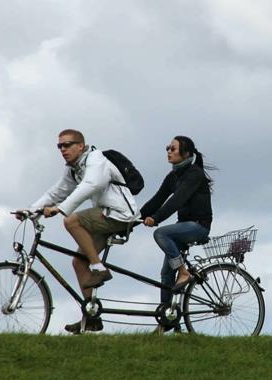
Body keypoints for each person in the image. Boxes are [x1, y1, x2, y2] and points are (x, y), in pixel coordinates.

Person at [25, 129, 137, 334]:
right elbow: (56, 192)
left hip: (120, 214)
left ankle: (99, 268)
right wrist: (31, 210)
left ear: (80, 146)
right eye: (59, 146)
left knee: (71, 221)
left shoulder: (96, 160)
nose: (63, 149)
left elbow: (91, 185)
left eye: (67, 145)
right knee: (78, 261)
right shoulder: (74, 169)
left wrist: (61, 208)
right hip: (104, 215)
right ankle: (91, 316)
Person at [140, 136, 213, 315]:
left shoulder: (195, 174)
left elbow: (177, 200)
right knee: (166, 273)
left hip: (198, 227)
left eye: (173, 149)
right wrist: (135, 217)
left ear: (186, 153)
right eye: (167, 148)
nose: (168, 151)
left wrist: (156, 219)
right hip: (183, 227)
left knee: (161, 234)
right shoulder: (173, 176)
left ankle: (183, 271)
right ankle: (167, 317)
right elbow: (158, 199)